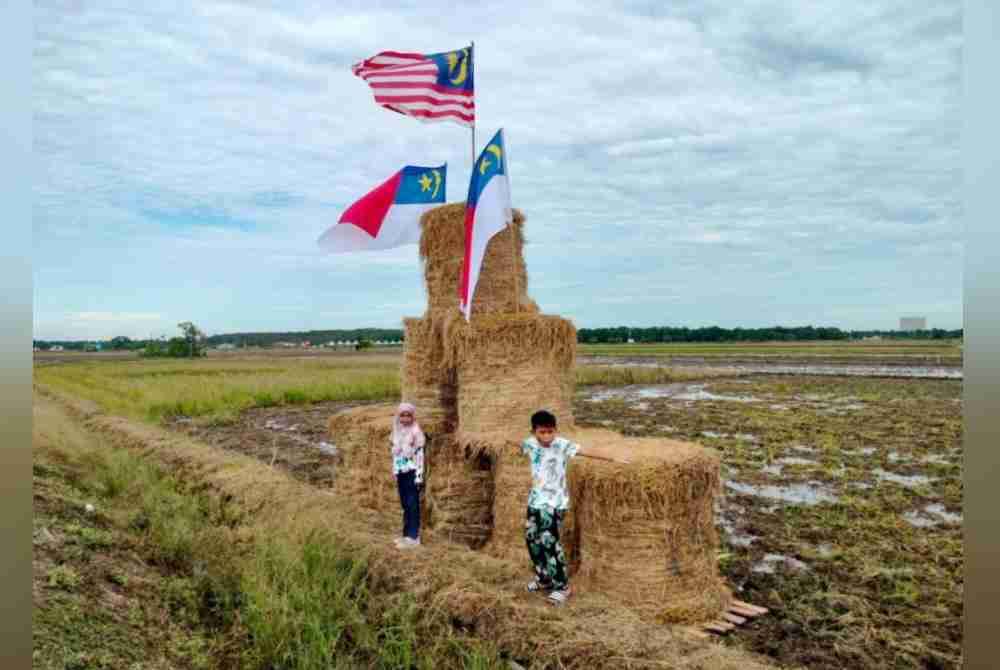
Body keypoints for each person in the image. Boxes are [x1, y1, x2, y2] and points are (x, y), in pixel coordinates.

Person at [521, 409, 630, 605]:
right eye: (542, 432)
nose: (547, 436)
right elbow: (513, 441)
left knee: (549, 543)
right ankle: (544, 578)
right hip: (535, 501)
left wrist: (613, 458)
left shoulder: (562, 445)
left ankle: (562, 587)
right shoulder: (529, 444)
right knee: (531, 539)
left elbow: (586, 452)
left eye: (550, 431)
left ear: (555, 430)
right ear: (534, 432)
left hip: (555, 504)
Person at [391, 402, 425, 549]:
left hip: (412, 471)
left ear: (413, 416)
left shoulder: (416, 432)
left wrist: (418, 476)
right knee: (405, 504)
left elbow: (419, 456)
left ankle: (414, 537)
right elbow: (396, 455)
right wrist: (395, 470)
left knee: (412, 504)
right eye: (402, 415)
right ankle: (406, 536)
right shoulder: (398, 431)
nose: (405, 418)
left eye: (408, 415)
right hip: (401, 471)